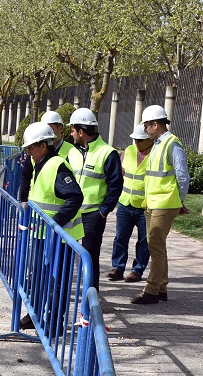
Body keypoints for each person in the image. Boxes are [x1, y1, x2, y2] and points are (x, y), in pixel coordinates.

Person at [19, 121, 84, 329]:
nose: (28, 152)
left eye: (31, 148)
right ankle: (35, 314)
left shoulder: (57, 167)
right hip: (42, 235)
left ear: (43, 146)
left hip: (61, 236)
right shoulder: (40, 164)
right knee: (38, 277)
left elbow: (74, 197)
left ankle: (55, 323)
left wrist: (54, 224)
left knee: (57, 282)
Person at [131, 105, 189, 305]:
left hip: (165, 203)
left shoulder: (172, 144)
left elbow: (182, 175)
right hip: (154, 202)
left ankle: (152, 290)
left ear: (155, 125)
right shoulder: (157, 144)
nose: (145, 130)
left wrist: (179, 201)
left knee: (154, 246)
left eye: (147, 125)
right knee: (156, 245)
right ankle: (161, 287)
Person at [66, 108, 123, 291]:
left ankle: (91, 301)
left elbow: (115, 185)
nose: (71, 133)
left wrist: (104, 210)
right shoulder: (72, 152)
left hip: (93, 215)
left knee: (89, 258)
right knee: (65, 256)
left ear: (81, 131)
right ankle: (64, 295)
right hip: (71, 213)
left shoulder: (107, 153)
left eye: (73, 129)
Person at [106, 124, 153, 283]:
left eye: (140, 140)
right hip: (125, 204)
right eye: (135, 140)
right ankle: (117, 268)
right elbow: (120, 174)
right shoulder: (128, 151)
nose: (137, 143)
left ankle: (137, 270)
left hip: (144, 207)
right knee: (120, 237)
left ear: (149, 139)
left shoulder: (155, 154)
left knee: (144, 241)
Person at [19, 110, 74, 206]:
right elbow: (26, 176)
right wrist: (23, 200)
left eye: (49, 128)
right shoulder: (34, 151)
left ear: (60, 128)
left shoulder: (72, 151)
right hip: (35, 205)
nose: (44, 130)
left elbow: (73, 193)